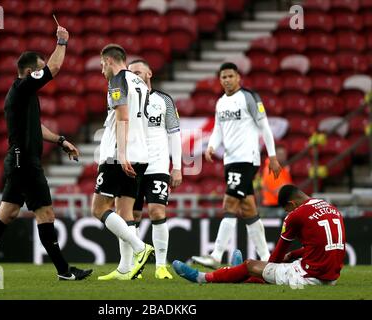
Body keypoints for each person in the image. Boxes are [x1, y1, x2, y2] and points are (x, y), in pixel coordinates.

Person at [0, 25, 93, 281]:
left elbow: (35, 126)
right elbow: (54, 69)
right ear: (29, 72)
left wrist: (60, 140)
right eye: (39, 68)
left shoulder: (23, 95)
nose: (43, 70)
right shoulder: (22, 88)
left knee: (8, 212)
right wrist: (62, 41)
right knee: (45, 214)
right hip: (24, 161)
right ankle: (64, 271)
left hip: (17, 161)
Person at [191, 62, 282, 268]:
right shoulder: (221, 102)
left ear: (238, 77)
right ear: (220, 80)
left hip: (246, 159)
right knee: (249, 208)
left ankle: (216, 256)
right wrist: (212, 146)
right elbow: (218, 129)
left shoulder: (249, 97)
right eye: (223, 77)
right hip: (230, 161)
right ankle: (267, 259)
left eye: (231, 76)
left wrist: (273, 156)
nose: (227, 80)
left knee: (229, 205)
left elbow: (265, 127)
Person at [174, 185, 346, 289]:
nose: (288, 213)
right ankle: (235, 273)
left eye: (287, 209)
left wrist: (263, 266)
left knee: (251, 265)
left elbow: (275, 259)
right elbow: (321, 245)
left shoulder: (297, 214)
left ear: (291, 204)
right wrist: (293, 255)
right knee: (268, 270)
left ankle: (203, 277)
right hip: (331, 277)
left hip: (311, 276)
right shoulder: (330, 207)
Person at [92, 45, 154, 281]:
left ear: (108, 60)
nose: (101, 71)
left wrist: (123, 154)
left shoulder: (118, 80)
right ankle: (127, 269)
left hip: (118, 155)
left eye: (101, 65)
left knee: (98, 209)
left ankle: (140, 248)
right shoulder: (139, 82)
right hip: (141, 154)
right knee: (125, 211)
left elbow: (122, 117)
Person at [126, 59, 182, 280]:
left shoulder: (164, 100)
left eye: (138, 72)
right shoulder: (127, 101)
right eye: (131, 74)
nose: (134, 76)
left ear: (149, 73)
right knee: (133, 214)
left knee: (157, 211)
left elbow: (174, 133)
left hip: (158, 164)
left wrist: (176, 167)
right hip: (134, 164)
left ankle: (160, 266)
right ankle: (133, 267)